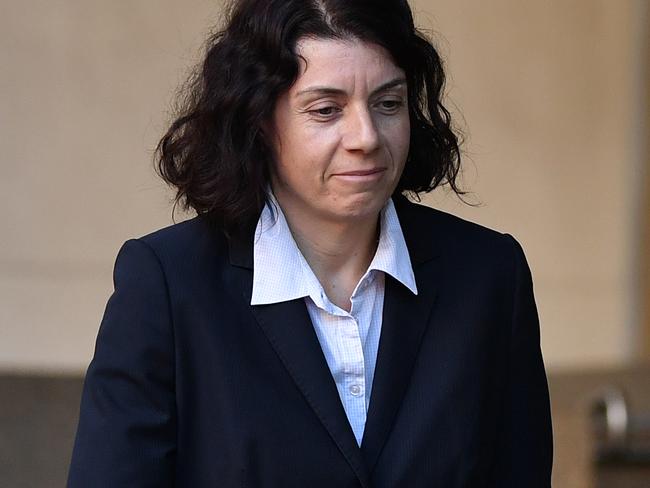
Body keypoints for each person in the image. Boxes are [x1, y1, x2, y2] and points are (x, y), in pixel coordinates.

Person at [67, 0, 553, 486]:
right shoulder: (168, 285)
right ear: (259, 119)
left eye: (388, 104)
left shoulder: (490, 276)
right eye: (326, 110)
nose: (366, 137)